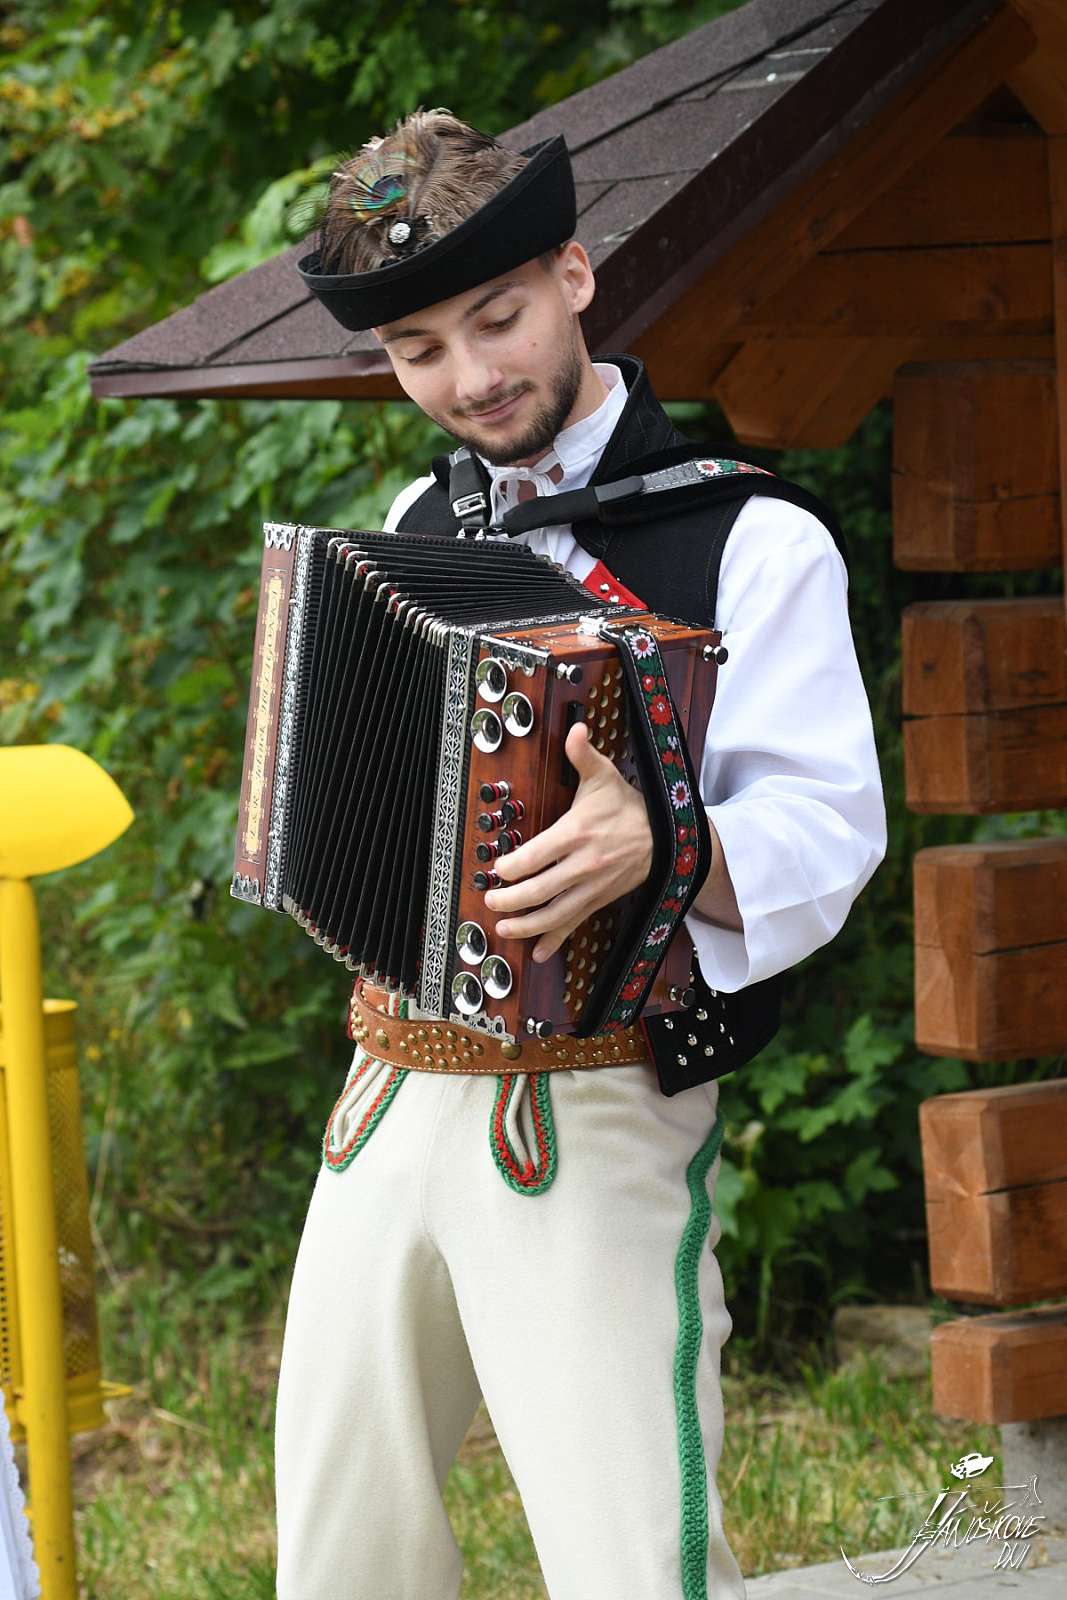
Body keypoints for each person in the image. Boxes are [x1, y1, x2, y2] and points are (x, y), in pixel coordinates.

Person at [274, 109, 886, 1600]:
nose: (470, 379)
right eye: (419, 350)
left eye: (497, 319)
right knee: (342, 1552)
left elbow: (827, 834)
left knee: (631, 1554)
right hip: (383, 1089)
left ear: (574, 273)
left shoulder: (753, 539)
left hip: (595, 1097)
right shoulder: (420, 517)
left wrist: (664, 839)